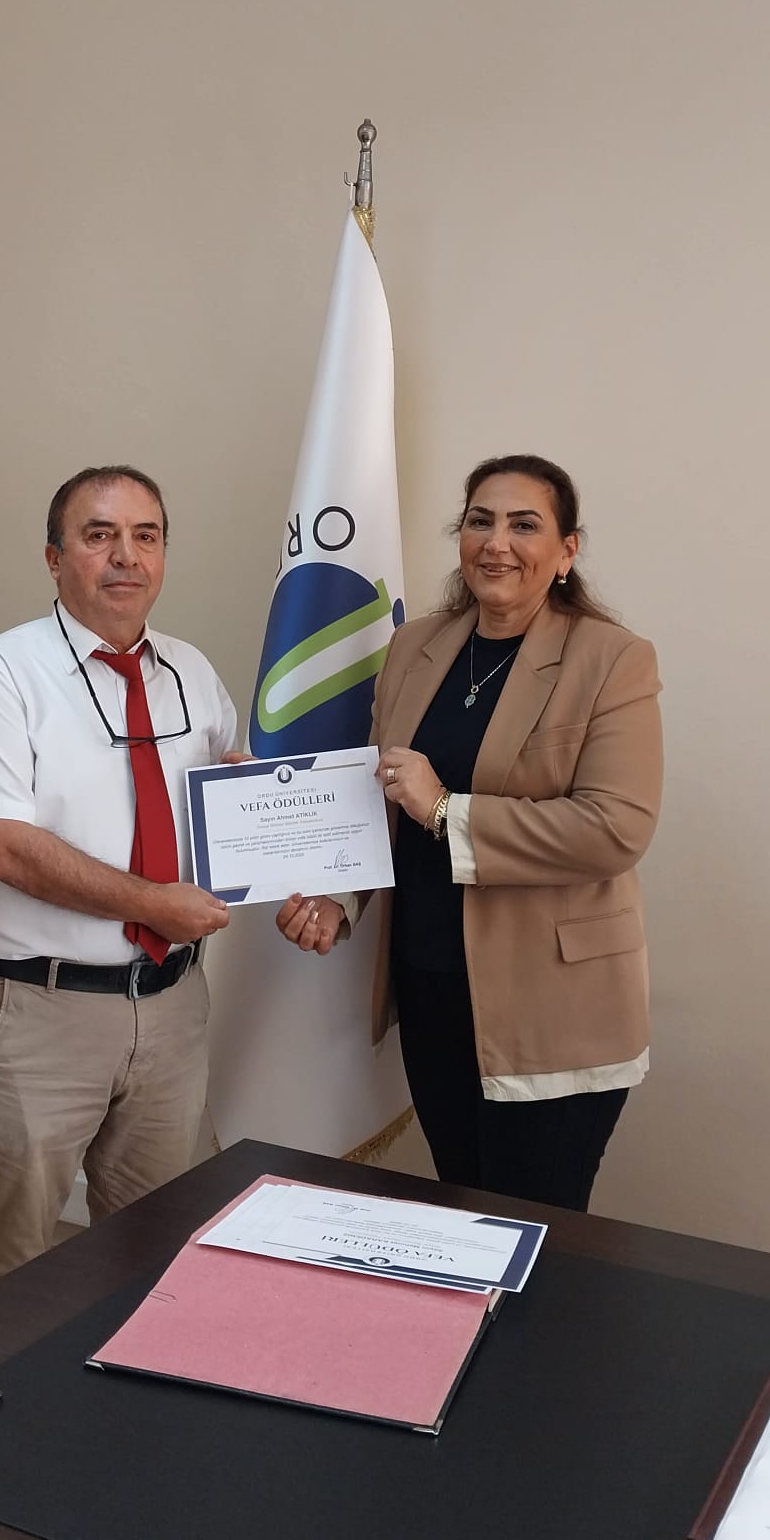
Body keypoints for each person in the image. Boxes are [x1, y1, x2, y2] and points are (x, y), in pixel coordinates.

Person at [276, 454, 662, 1212]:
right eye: (481, 521)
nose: (497, 542)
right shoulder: (414, 647)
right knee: (459, 1218)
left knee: (533, 1231)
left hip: (551, 1007)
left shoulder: (612, 660)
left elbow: (615, 829)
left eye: (525, 525)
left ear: (567, 550)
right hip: (430, 991)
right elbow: (379, 798)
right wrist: (337, 896)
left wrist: (446, 810)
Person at [0, 465, 237, 1297]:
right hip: (37, 1012)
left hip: (171, 1010)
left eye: (146, 536)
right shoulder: (0, 671)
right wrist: (152, 904)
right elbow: (0, 847)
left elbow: (227, 817)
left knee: (159, 1262)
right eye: (99, 535)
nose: (126, 555)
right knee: (6, 1275)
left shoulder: (193, 673)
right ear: (55, 558)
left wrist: (294, 852)